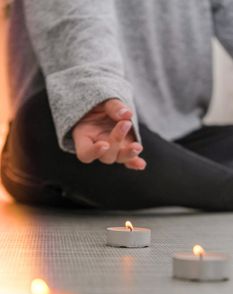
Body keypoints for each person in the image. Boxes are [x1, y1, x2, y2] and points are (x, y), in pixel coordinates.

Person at [2, 0, 233, 210]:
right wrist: (96, 93)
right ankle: (218, 187)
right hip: (80, 139)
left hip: (180, 142)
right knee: (45, 121)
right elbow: (78, 17)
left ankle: (198, 182)